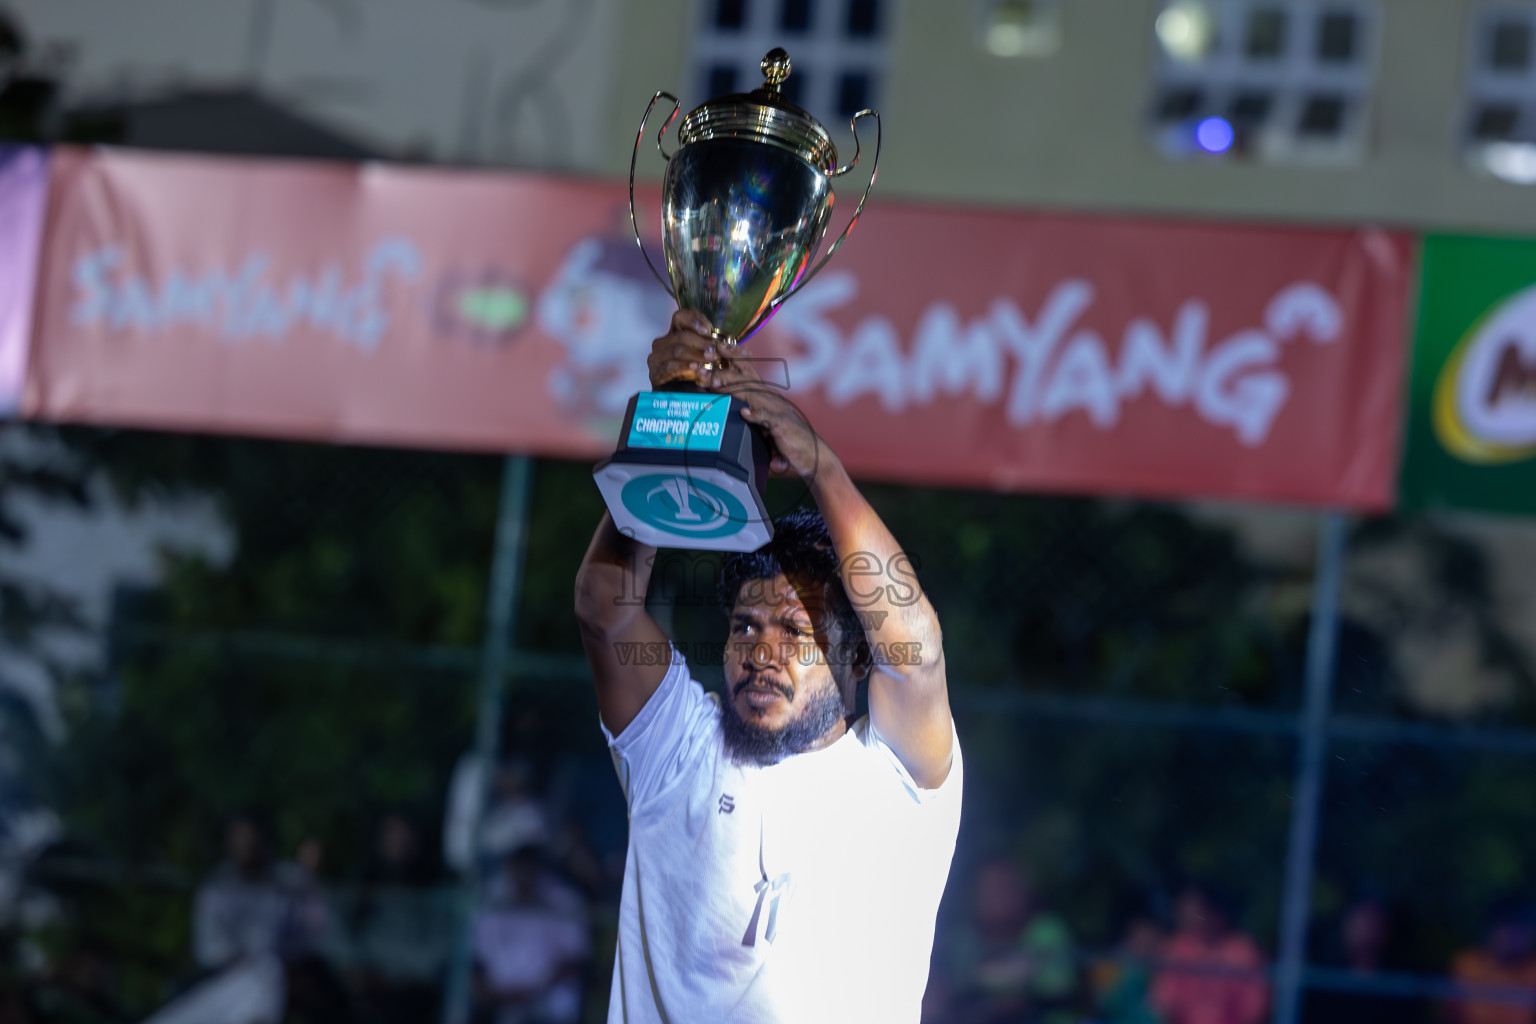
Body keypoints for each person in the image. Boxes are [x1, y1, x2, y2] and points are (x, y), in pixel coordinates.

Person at [573, 309, 963, 1022]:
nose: (761, 652)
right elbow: (605, 606)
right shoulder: (680, 749)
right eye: (746, 626)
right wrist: (674, 428)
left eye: (794, 630)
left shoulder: (898, 776)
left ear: (854, 658)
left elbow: (919, 650)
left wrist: (821, 466)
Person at [943, 858, 1080, 1023]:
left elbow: (1062, 986)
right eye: (990, 889)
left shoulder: (1046, 930)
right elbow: (956, 990)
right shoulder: (964, 940)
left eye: (1007, 886)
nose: (1001, 896)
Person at [473, 843, 590, 1024]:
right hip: (500, 1005)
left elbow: (575, 959)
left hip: (550, 1008)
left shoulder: (565, 901)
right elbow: (479, 958)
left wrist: (532, 992)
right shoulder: (492, 898)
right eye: (516, 868)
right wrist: (491, 993)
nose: (521, 875)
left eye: (527, 868)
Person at [1150, 883, 1268, 1024]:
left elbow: (1255, 1009)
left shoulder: (1243, 951)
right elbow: (1164, 1001)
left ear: (1215, 910)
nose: (1188, 915)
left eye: (1196, 910)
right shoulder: (1178, 948)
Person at [1448, 901, 1536, 1024]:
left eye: (1522, 929)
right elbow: (1449, 1013)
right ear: (1491, 930)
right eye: (1507, 927)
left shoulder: (1532, 971)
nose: (1514, 936)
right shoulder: (1468, 965)